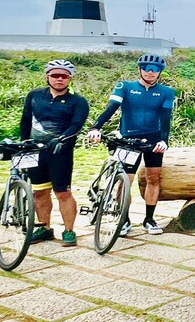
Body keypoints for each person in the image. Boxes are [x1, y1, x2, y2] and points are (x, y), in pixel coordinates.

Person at [87, 53, 175, 235]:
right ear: (140, 69)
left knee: (153, 178)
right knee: (125, 180)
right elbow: (111, 108)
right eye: (146, 68)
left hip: (153, 140)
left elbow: (166, 118)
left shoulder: (167, 92)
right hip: (128, 139)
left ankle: (149, 220)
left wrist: (164, 140)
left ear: (160, 72)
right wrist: (96, 127)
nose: (150, 72)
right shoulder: (125, 87)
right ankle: (124, 219)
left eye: (155, 69)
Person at [21, 59, 89, 246]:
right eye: (55, 75)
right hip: (35, 151)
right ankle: (45, 228)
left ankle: (69, 231)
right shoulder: (35, 95)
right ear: (47, 77)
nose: (59, 79)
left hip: (60, 153)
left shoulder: (78, 101)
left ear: (69, 79)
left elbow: (77, 125)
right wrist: (24, 143)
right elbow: (26, 119)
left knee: (63, 193)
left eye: (64, 76)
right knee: (40, 192)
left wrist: (61, 139)